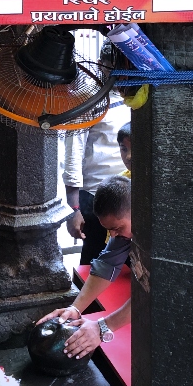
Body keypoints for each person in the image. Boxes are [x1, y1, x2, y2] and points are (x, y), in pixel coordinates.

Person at [38, 176, 132, 359]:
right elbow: (106, 265)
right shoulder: (124, 228)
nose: (113, 234)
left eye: (117, 228)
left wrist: (102, 327)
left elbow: (154, 293)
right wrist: (75, 309)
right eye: (109, 229)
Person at [64, 91, 129, 264]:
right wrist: (74, 209)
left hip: (130, 194)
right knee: (97, 260)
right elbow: (73, 157)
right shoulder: (87, 101)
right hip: (96, 198)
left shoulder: (139, 96)